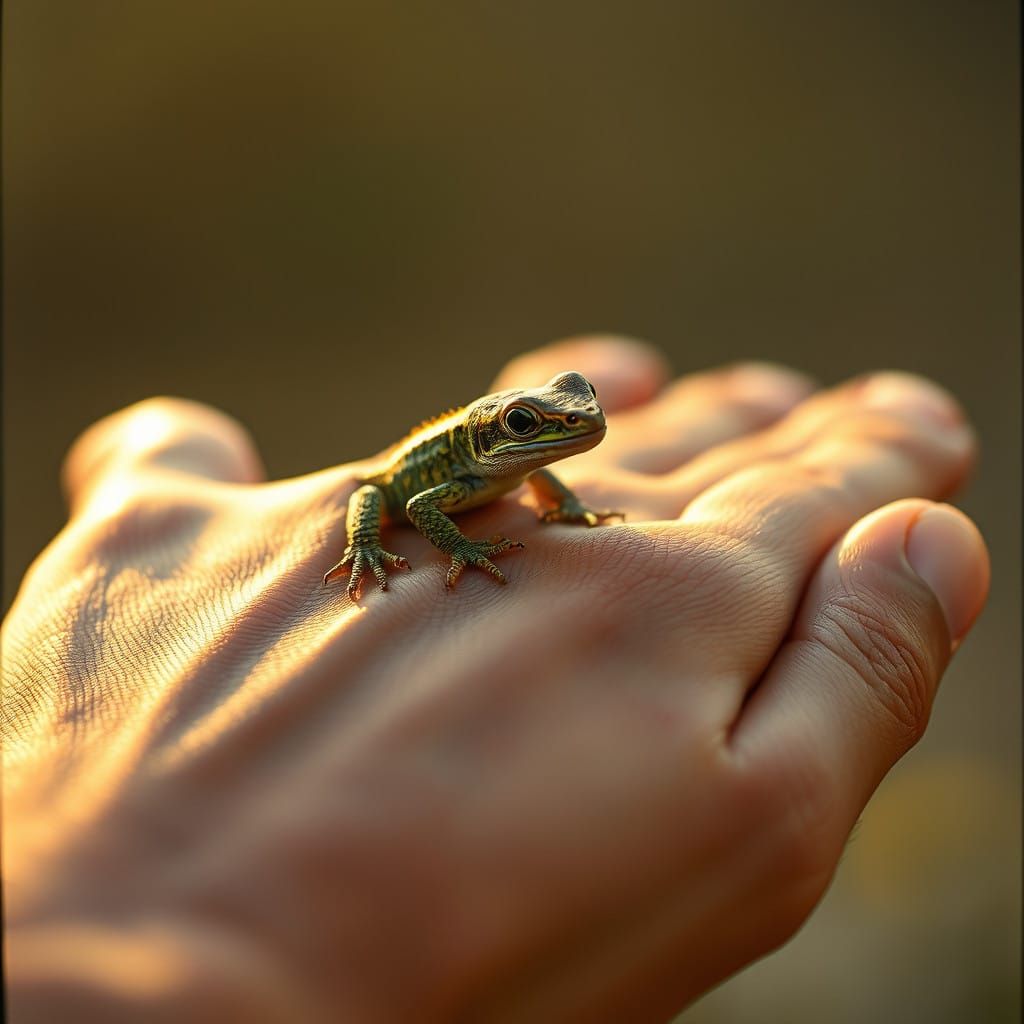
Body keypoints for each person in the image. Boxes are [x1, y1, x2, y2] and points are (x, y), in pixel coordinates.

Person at [2, 335, 989, 1022]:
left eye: (569, 418)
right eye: (531, 424)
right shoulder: (459, 476)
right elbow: (402, 499)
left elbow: (537, 477)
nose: (571, 430)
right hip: (387, 493)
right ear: (492, 432)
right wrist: (449, 559)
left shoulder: (518, 468)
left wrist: (561, 511)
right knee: (366, 509)